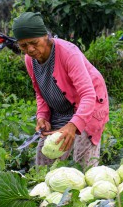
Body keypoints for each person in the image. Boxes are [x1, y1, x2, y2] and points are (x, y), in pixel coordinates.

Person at [12, 12, 109, 169]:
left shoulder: (68, 53)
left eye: (34, 42)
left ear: (45, 36)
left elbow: (88, 94)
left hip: (88, 104)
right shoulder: (30, 60)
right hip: (61, 108)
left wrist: (73, 125)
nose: (30, 49)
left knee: (84, 161)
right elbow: (40, 91)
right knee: (45, 157)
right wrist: (42, 116)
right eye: (23, 46)